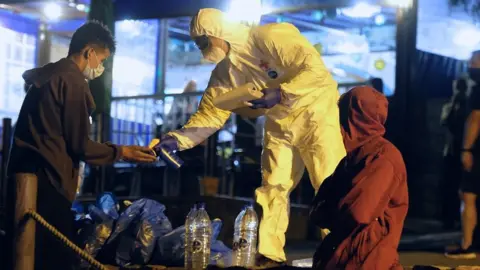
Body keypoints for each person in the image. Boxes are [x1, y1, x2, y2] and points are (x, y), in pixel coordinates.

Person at [151, 8, 346, 266]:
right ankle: (270, 254)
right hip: (279, 122)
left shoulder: (270, 36)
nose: (201, 48)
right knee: (272, 186)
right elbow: (211, 115)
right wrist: (177, 139)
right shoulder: (224, 74)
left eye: (203, 41)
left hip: (317, 115)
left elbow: (315, 70)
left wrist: (281, 92)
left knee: (328, 182)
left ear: (218, 33)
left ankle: (342, 251)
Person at [7, 21, 156, 270]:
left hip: (27, 181)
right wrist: (123, 152)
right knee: (56, 260)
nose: (101, 67)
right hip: (49, 182)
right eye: (102, 59)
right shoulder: (72, 81)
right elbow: (81, 145)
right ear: (89, 52)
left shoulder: (47, 78)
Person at [309, 86, 408, 269]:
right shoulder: (352, 158)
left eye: (344, 114)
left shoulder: (384, 157)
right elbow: (317, 213)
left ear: (356, 118)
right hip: (339, 257)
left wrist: (334, 208)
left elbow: (359, 213)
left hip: (369, 260)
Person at [445, 50, 480, 259]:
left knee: (468, 195)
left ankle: (466, 245)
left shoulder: (477, 91)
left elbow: (475, 119)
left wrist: (466, 149)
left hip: (478, 152)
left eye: (473, 63)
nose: (470, 66)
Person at [440, 71, 471, 230]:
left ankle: (461, 220)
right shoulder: (449, 106)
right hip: (451, 152)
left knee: (464, 189)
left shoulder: (469, 106)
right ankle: (449, 219)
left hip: (464, 151)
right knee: (449, 187)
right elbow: (445, 122)